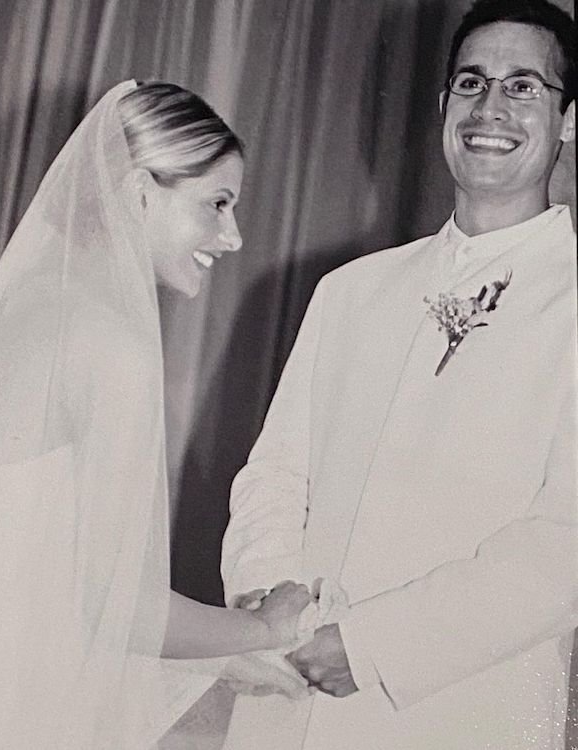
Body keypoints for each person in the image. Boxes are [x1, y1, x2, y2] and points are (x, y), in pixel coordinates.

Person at [220, 1, 577, 748]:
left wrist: (375, 646)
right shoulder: (350, 290)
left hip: (462, 707)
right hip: (292, 702)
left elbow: (564, 538)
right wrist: (269, 601)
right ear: (443, 105)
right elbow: (276, 474)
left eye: (523, 87)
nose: (490, 108)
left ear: (569, 120)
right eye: (471, 82)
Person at [0, 80, 314, 750]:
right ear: (137, 193)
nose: (234, 236)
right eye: (216, 204)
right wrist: (268, 628)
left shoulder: (18, 312)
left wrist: (227, 656)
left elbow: (45, 581)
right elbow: (121, 610)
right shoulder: (109, 343)